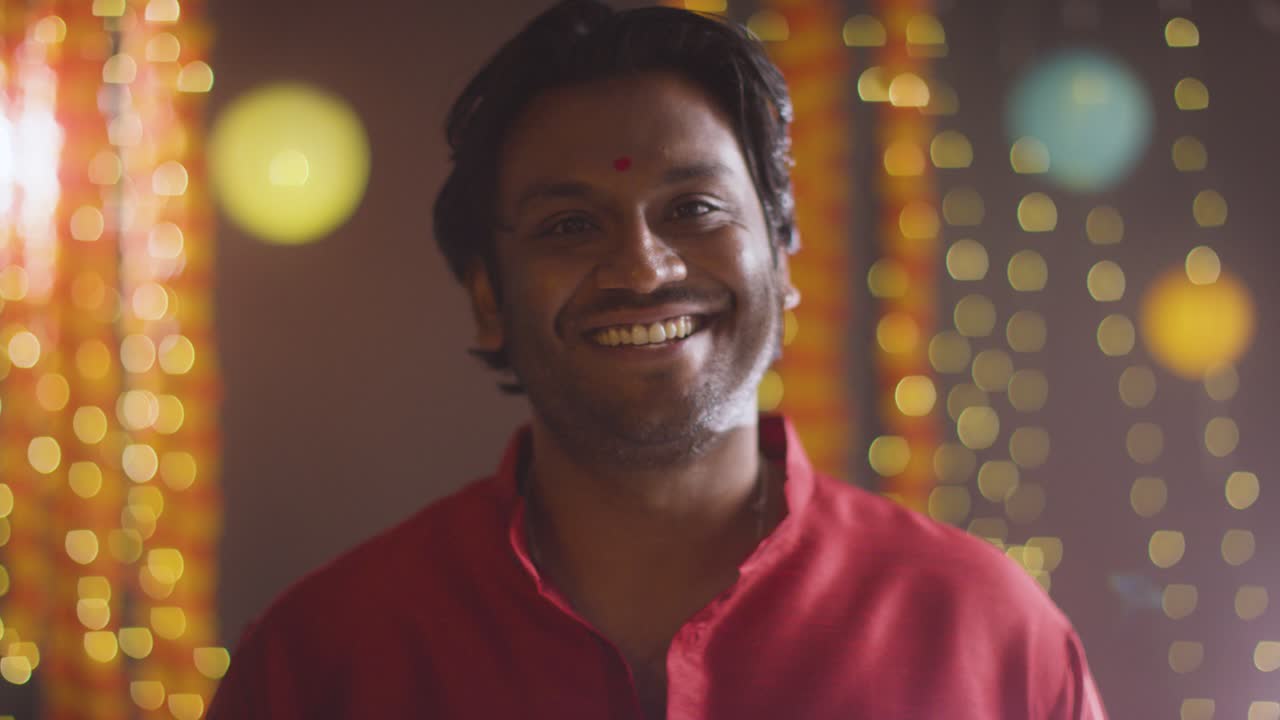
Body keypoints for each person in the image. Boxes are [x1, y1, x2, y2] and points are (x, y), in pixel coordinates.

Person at [208, 2, 1107, 718]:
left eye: (695, 209)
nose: (643, 267)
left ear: (784, 257)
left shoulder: (985, 634)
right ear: (489, 299)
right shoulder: (324, 659)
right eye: (570, 225)